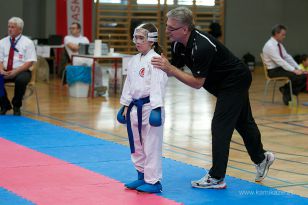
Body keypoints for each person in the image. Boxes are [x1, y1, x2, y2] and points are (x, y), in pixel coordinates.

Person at [151, 7, 275, 189]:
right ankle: (262, 158)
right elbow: (173, 68)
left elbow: (196, 82)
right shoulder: (177, 44)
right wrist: (156, 64)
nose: (167, 31)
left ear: (185, 29)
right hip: (221, 84)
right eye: (167, 26)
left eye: (171, 28)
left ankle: (217, 177)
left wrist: (169, 68)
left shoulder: (201, 46)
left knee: (220, 126)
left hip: (235, 81)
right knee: (243, 122)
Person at [117, 23, 168, 193]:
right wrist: (124, 104)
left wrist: (157, 108)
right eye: (135, 38)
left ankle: (154, 182)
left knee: (151, 145)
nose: (137, 41)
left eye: (141, 38)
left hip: (150, 107)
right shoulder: (133, 60)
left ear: (151, 41)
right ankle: (142, 176)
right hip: (134, 107)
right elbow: (128, 84)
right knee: (136, 144)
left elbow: (158, 85)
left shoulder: (156, 60)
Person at [0, 17, 37, 116]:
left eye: (13, 27)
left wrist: (15, 72)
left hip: (22, 70)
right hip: (5, 70)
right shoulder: (2, 42)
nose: (10, 29)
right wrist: (1, 69)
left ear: (20, 29)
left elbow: (30, 62)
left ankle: (16, 105)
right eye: (9, 27)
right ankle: (4, 105)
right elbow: (0, 59)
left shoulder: (28, 42)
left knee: (21, 80)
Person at [262, 24, 306, 105]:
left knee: (304, 76)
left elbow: (287, 57)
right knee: (296, 76)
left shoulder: (279, 44)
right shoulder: (270, 45)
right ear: (276, 34)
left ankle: (285, 90)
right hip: (273, 71)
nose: (284, 37)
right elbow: (280, 61)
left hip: (280, 69)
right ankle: (287, 91)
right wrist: (294, 70)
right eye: (283, 35)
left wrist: (298, 68)